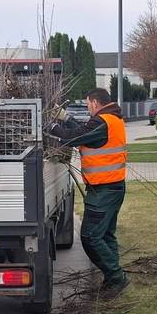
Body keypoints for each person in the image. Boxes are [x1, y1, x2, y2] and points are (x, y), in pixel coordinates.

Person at [49, 88, 130, 294]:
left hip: (104, 190)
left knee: (91, 236)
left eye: (87, 104)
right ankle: (113, 278)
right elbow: (85, 133)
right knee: (106, 235)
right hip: (112, 187)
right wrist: (66, 118)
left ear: (95, 103)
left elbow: (74, 137)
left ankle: (116, 277)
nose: (87, 108)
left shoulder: (102, 122)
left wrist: (51, 126)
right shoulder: (113, 120)